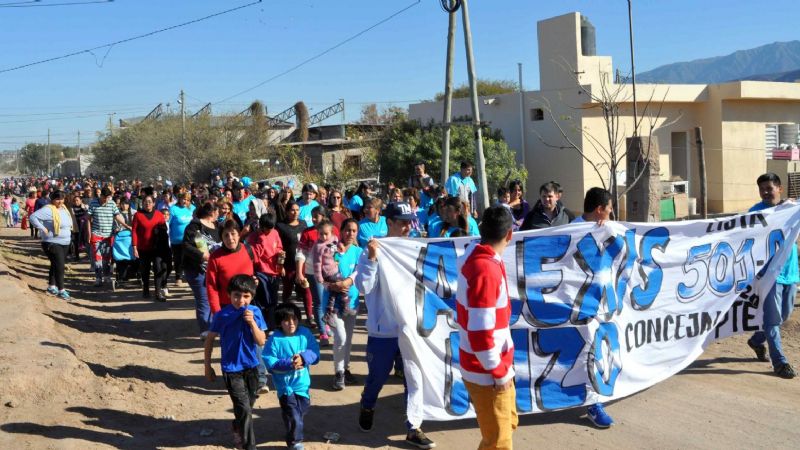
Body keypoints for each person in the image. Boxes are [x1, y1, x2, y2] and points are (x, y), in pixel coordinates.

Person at [355, 201, 435, 449]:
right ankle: (368, 404)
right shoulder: (371, 250)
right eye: (401, 222)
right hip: (383, 330)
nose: (406, 227)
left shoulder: (415, 248)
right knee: (377, 377)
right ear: (388, 222)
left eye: (409, 222)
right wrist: (371, 259)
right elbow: (363, 288)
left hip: (411, 328)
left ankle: (414, 427)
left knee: (414, 377)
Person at [457, 206, 517, 450]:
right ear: (510, 234)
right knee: (499, 442)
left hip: (490, 365)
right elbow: (481, 335)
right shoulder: (486, 269)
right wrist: (499, 372)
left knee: (504, 429)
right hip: (487, 370)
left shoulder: (479, 257)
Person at [570, 187, 616, 428]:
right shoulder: (571, 232)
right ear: (599, 210)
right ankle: (593, 404)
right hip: (580, 308)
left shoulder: (608, 230)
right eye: (609, 209)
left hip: (602, 304)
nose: (611, 213)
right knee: (590, 351)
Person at [204, 275, 267, 450]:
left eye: (246, 296)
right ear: (229, 295)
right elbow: (209, 340)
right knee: (244, 409)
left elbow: (261, 341)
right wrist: (207, 366)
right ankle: (249, 446)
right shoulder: (221, 315)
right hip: (231, 369)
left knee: (248, 404)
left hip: (252, 367)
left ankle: (237, 425)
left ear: (252, 296)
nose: (241, 300)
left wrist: (252, 323)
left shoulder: (255, 312)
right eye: (236, 295)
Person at [746, 173, 798, 379]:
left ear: (780, 189)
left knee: (784, 315)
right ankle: (780, 363)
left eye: (769, 188)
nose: (766, 192)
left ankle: (757, 340)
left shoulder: (791, 209)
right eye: (762, 189)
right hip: (768, 274)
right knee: (773, 319)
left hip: (790, 271)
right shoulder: (754, 213)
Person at [263, 302, 320, 450]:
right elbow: (269, 360)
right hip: (285, 386)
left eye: (294, 319)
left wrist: (303, 357)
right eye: (286, 320)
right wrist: (288, 364)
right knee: (293, 413)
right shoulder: (275, 339)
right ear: (279, 322)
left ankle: (292, 430)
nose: (291, 323)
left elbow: (314, 350)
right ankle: (295, 442)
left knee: (301, 410)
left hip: (302, 383)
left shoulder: (305, 334)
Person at [325, 218, 362, 390]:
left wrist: (347, 282)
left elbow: (360, 272)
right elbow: (323, 272)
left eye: (354, 231)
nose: (350, 233)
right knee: (340, 337)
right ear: (341, 230)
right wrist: (333, 285)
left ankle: (345, 369)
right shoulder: (332, 250)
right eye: (348, 230)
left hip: (352, 301)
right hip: (334, 303)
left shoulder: (359, 252)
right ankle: (338, 372)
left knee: (348, 339)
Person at [183, 201, 222, 338]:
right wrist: (201, 255)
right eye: (217, 211)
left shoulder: (217, 226)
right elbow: (186, 246)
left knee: (212, 298)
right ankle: (205, 331)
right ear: (212, 212)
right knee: (203, 299)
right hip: (196, 270)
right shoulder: (194, 227)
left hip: (213, 270)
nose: (219, 214)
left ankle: (212, 327)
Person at [29, 190, 74, 300]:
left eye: (62, 199)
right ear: (52, 199)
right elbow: (32, 217)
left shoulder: (64, 209)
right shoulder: (48, 209)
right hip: (52, 242)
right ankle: (61, 290)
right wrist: (42, 228)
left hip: (65, 242)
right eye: (57, 199)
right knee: (60, 265)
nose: (60, 201)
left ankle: (51, 286)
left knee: (56, 264)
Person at [206, 219, 255, 315]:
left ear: (239, 234)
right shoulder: (215, 257)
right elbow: (211, 287)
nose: (230, 238)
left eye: (233, 233)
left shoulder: (249, 250)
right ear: (221, 238)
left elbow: (257, 271)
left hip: (247, 305)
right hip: (226, 307)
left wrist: (255, 280)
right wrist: (217, 312)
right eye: (226, 235)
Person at [248, 212, 285, 330]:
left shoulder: (275, 233)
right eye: (267, 229)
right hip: (261, 271)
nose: (269, 231)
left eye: (271, 228)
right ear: (261, 226)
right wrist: (260, 241)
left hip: (274, 271)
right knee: (264, 299)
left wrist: (281, 263)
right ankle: (262, 325)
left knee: (273, 299)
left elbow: (279, 248)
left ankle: (272, 325)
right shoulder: (254, 237)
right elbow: (254, 257)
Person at [87, 187, 131, 287]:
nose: (106, 200)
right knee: (97, 258)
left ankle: (106, 276)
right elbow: (88, 219)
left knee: (106, 258)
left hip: (108, 236)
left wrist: (127, 226)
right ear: (101, 195)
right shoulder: (93, 203)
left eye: (108, 198)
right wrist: (89, 234)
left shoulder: (112, 204)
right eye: (104, 198)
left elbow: (118, 216)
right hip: (96, 234)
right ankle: (98, 278)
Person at [132, 195, 169, 301]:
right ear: (142, 203)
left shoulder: (158, 214)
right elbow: (134, 231)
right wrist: (134, 247)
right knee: (145, 270)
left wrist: (159, 230)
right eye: (145, 202)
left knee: (158, 268)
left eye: (149, 202)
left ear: (153, 203)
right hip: (143, 247)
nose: (147, 203)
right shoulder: (138, 215)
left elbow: (164, 228)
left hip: (157, 247)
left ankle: (158, 292)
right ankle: (146, 289)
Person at [169, 192, 196, 286]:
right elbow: (168, 223)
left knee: (189, 258)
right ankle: (178, 277)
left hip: (190, 239)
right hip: (177, 240)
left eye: (188, 200)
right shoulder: (173, 209)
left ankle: (189, 277)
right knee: (178, 259)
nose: (185, 201)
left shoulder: (192, 208)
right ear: (180, 199)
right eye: (184, 199)